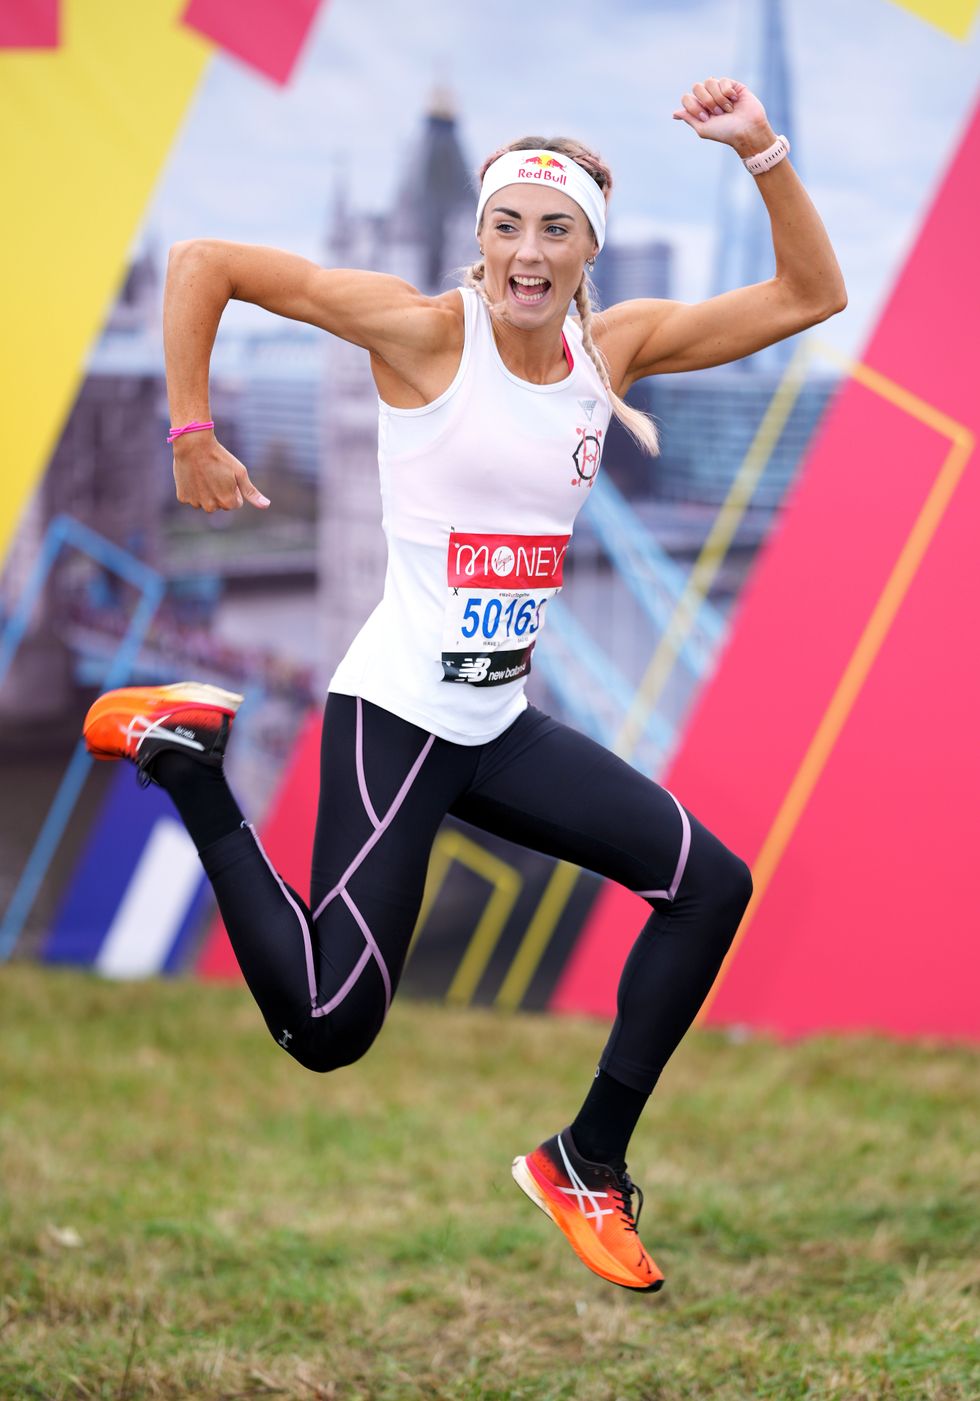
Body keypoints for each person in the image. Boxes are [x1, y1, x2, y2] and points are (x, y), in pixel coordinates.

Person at [83, 77, 846, 1294]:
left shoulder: (615, 349)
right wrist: (192, 433)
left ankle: (584, 1161)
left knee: (709, 886)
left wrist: (761, 153)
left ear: (588, 249)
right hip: (393, 718)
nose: (525, 254)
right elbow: (203, 260)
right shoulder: (422, 330)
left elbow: (812, 296)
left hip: (494, 725)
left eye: (554, 230)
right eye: (505, 227)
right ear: (478, 240)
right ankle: (188, 764)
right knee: (330, 1026)